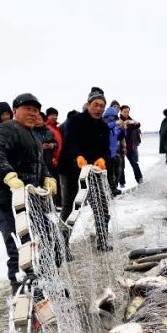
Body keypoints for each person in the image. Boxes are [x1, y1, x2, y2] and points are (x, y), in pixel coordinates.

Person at [0, 93, 58, 288]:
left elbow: (39, 163)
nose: (33, 114)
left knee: (42, 241)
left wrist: (47, 176)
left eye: (36, 110)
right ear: (15, 110)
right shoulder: (7, 128)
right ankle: (20, 289)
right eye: (28, 109)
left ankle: (42, 285)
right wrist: (9, 175)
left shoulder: (34, 136)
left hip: (30, 199)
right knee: (18, 247)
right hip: (5, 199)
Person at [58, 88, 114, 250]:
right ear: (88, 105)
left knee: (101, 205)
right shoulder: (75, 121)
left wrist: (103, 159)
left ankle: (102, 241)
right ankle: (63, 246)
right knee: (70, 207)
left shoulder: (103, 126)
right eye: (96, 105)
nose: (99, 109)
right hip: (71, 169)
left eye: (102, 106)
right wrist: (77, 157)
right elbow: (69, 144)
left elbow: (106, 149)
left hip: (92, 170)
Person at [119, 105, 144, 184]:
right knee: (121, 167)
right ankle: (122, 183)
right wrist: (123, 124)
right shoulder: (118, 120)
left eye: (128, 111)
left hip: (129, 146)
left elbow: (138, 125)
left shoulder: (130, 120)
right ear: (121, 111)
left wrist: (133, 122)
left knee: (134, 163)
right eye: (125, 112)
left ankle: (139, 179)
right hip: (120, 147)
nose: (126, 113)